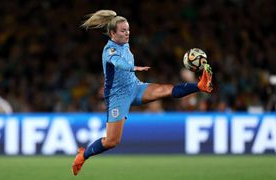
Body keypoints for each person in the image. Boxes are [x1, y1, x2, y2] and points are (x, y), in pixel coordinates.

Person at [72, 10, 213, 175]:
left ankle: (200, 85)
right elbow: (119, 63)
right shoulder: (109, 51)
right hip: (118, 97)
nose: (127, 33)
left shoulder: (124, 42)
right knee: (112, 141)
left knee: (164, 90)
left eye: (128, 30)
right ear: (112, 33)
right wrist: (133, 67)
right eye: (123, 31)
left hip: (135, 86)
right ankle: (83, 155)